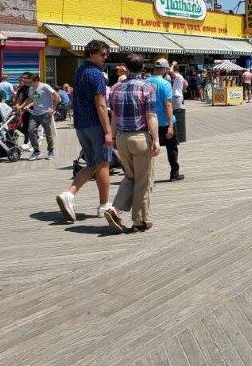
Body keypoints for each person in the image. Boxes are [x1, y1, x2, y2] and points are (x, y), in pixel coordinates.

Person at [56, 40, 114, 222]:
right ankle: (104, 205)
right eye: (102, 54)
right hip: (95, 124)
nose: (105, 57)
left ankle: (69, 194)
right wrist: (108, 131)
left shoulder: (79, 71)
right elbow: (101, 104)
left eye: (106, 54)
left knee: (93, 164)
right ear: (91, 53)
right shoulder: (96, 74)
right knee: (104, 163)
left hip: (81, 124)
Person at [104, 54, 161, 234]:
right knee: (143, 181)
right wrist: (156, 139)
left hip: (121, 138)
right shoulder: (147, 87)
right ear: (143, 67)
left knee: (130, 177)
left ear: (126, 68)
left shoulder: (115, 88)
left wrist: (112, 137)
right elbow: (150, 116)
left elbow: (113, 116)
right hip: (140, 138)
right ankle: (139, 221)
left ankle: (115, 208)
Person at [147, 58, 183, 181]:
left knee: (148, 150)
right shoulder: (165, 84)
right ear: (163, 69)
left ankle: (147, 175)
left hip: (150, 123)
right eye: (167, 69)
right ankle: (174, 174)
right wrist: (170, 125)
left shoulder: (145, 82)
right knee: (172, 147)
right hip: (164, 122)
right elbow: (168, 104)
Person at [22, 75, 59, 160]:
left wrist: (53, 108)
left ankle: (50, 151)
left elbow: (57, 96)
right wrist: (22, 106)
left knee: (48, 133)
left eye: (30, 82)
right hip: (35, 114)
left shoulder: (45, 86)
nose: (29, 84)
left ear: (36, 81)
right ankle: (36, 151)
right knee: (30, 130)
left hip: (45, 113)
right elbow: (31, 99)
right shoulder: (31, 88)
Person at [14, 73, 33, 150]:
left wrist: (21, 106)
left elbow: (30, 99)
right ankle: (32, 140)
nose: (23, 80)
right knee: (24, 126)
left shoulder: (32, 88)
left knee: (29, 127)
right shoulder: (21, 89)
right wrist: (18, 105)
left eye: (24, 78)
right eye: (22, 79)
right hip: (23, 110)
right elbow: (19, 99)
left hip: (31, 109)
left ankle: (27, 143)